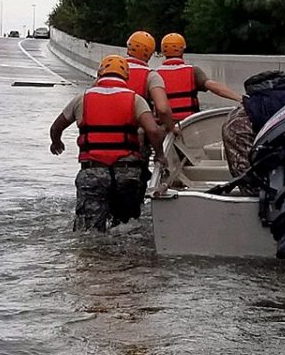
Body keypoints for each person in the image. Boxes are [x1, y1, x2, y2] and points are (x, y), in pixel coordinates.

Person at [49, 55, 166, 231]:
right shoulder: (135, 99)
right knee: (127, 228)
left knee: (88, 231)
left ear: (99, 73)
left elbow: (56, 127)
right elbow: (153, 130)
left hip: (93, 172)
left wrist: (56, 142)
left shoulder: (82, 99)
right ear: (126, 76)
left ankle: (94, 257)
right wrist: (159, 154)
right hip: (127, 173)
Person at [155, 32, 242, 121]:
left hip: (166, 124)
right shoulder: (193, 71)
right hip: (189, 123)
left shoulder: (155, 74)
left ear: (163, 51)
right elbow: (214, 86)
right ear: (182, 50)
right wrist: (240, 98)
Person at [123, 31, 174, 132]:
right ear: (150, 55)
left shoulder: (109, 71)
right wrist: (171, 128)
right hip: (137, 132)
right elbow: (162, 109)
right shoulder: (151, 76)